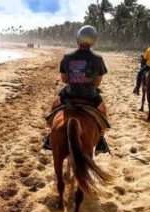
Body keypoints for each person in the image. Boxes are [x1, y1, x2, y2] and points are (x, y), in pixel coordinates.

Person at [43, 25, 110, 154]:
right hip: (91, 96)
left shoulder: (67, 57)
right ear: (93, 41)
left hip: (70, 94)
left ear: (78, 39)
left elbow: (63, 79)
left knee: (54, 106)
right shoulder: (98, 59)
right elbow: (98, 82)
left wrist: (75, 80)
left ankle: (50, 136)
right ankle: (101, 138)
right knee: (103, 112)